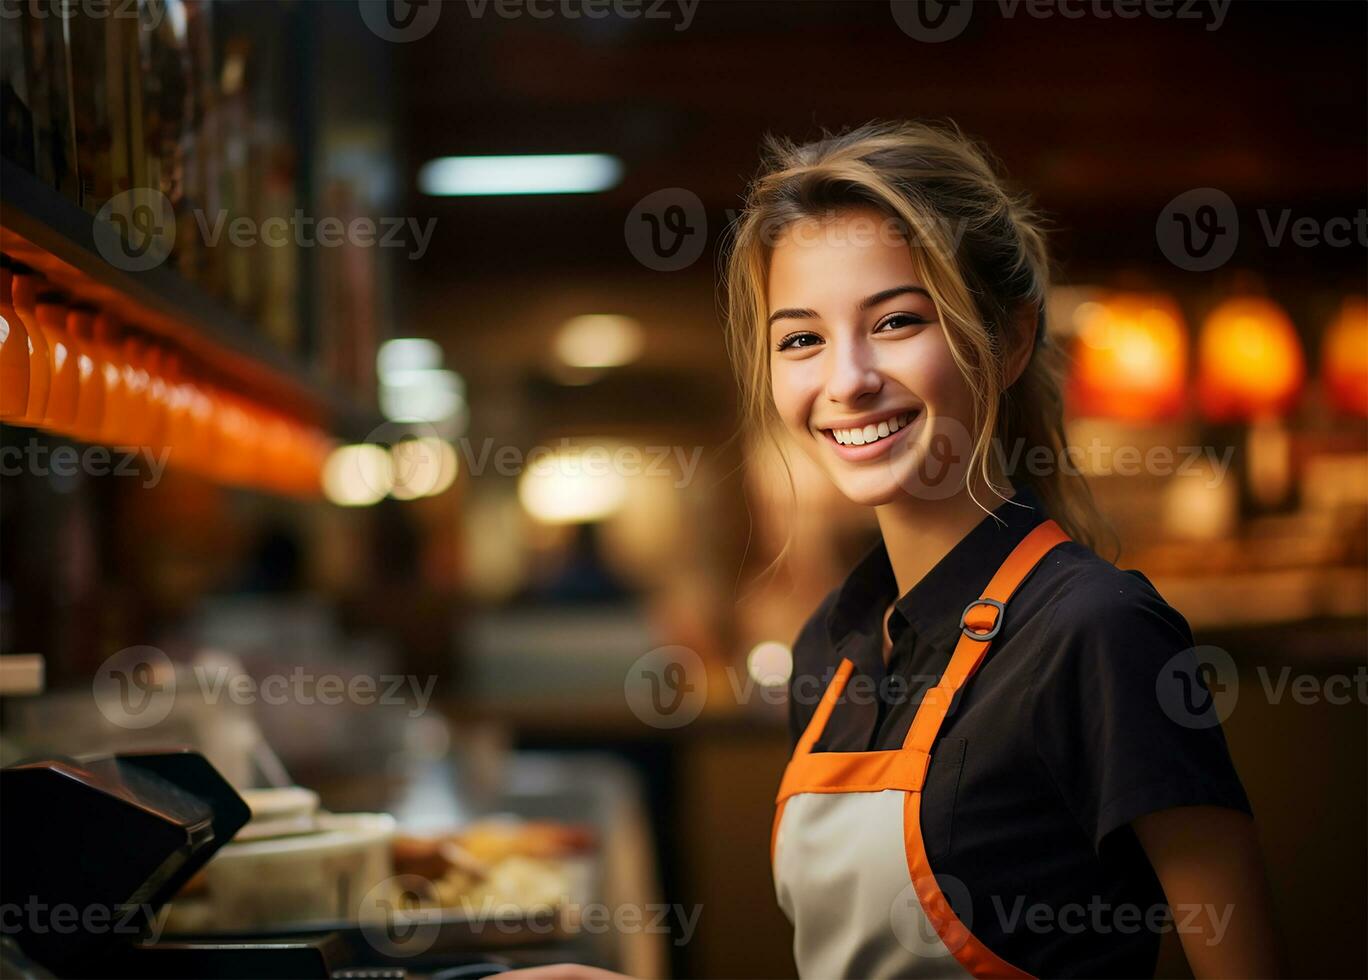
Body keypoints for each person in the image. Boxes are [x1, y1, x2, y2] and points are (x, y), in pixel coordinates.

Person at [503, 120, 1283, 979]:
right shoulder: (830, 652)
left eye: (897, 320)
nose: (847, 379)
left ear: (1010, 339)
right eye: (801, 338)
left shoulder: (1098, 632)